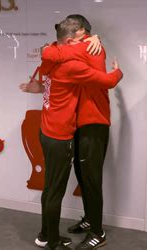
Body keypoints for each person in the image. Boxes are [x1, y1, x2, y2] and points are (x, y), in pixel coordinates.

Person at [20, 18, 123, 250]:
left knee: (90, 179)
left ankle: (97, 232)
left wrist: (115, 69)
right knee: (80, 176)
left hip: (93, 123)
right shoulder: (69, 52)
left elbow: (51, 51)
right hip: (72, 126)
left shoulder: (89, 48)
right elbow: (50, 51)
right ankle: (70, 228)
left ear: (82, 33)